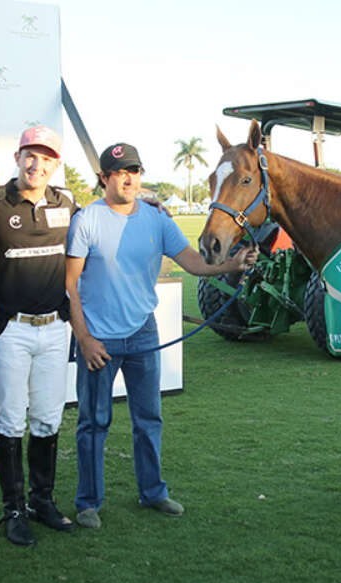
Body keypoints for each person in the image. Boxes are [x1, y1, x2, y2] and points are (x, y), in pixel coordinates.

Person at [65, 142, 258, 529]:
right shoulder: (85, 220)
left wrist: (231, 264)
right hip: (98, 339)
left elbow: (191, 261)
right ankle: (88, 502)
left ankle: (152, 492)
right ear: (104, 178)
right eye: (119, 172)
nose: (127, 178)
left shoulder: (158, 220)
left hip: (142, 334)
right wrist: (84, 339)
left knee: (149, 418)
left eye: (133, 171)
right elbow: (70, 286)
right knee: (93, 422)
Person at [0, 126, 76, 546]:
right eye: (30, 156)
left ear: (55, 164)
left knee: (49, 418)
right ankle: (13, 509)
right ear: (17, 157)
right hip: (11, 330)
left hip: (55, 328)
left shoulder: (66, 203)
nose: (37, 165)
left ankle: (41, 501)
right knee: (12, 419)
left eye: (46, 158)